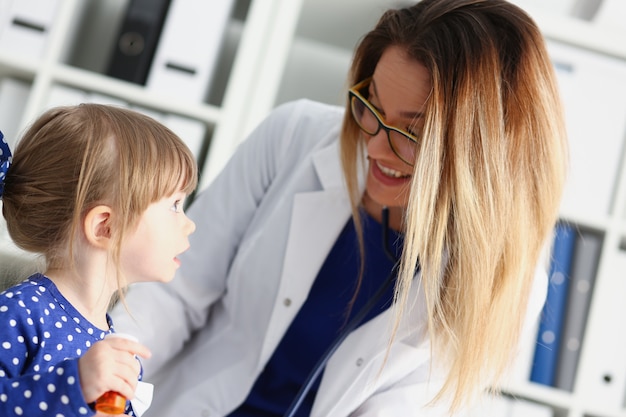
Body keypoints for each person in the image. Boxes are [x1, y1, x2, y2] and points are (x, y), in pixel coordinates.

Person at [111, 0, 568, 415]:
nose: (375, 145)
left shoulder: (505, 284)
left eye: (412, 133)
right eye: (372, 106)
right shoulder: (293, 136)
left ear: (488, 153)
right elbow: (174, 294)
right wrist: (103, 390)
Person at [0, 104, 197, 416]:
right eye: (174, 205)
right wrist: (72, 385)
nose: (189, 224)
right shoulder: (20, 313)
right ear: (105, 226)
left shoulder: (109, 342)